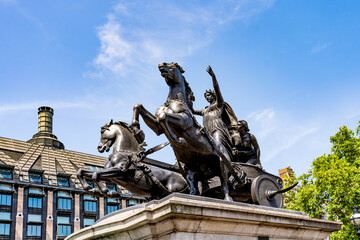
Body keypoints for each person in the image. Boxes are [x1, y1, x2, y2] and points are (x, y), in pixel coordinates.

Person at [193, 66, 235, 200]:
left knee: (218, 149)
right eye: (205, 96)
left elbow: (217, 89)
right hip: (207, 134)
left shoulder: (219, 105)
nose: (207, 97)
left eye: (209, 95)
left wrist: (213, 76)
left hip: (218, 131)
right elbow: (190, 111)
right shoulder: (204, 111)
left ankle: (225, 185)